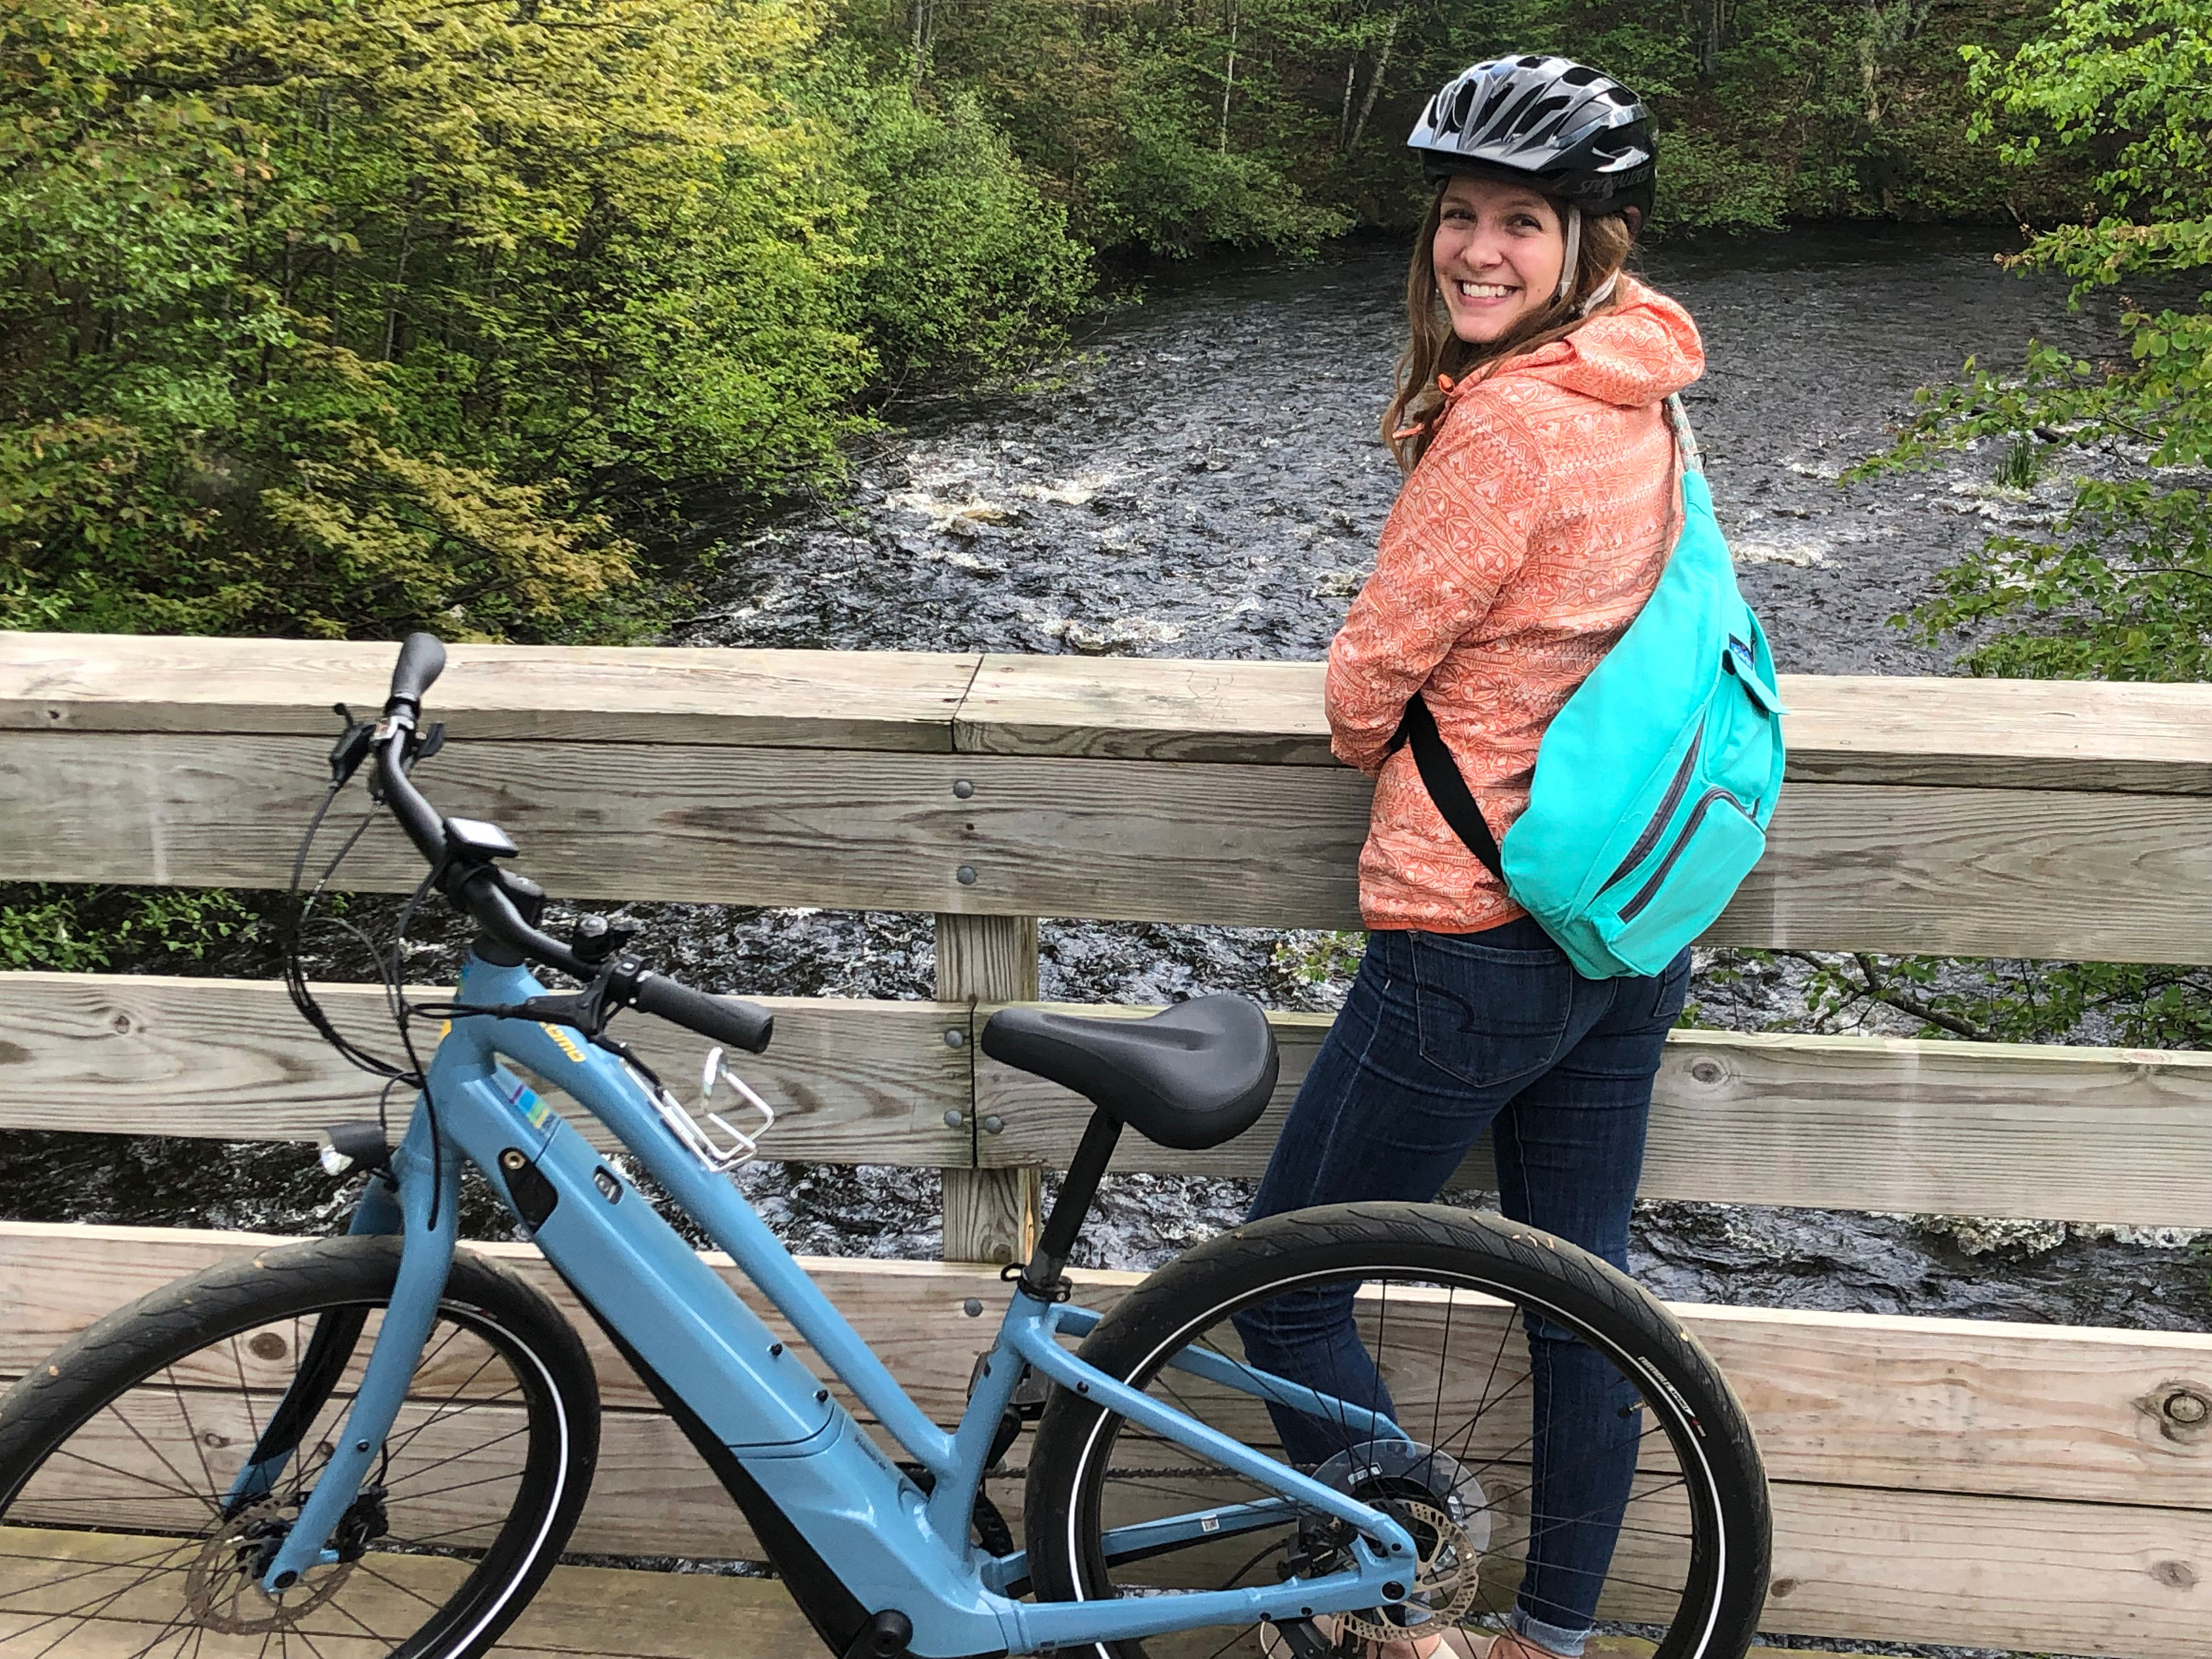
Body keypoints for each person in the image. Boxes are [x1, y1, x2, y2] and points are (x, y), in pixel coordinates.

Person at [1237, 54, 1705, 1659]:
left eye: (1524, 220)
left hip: (1470, 930)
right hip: (1623, 915)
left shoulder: (1504, 429)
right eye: (1459, 216)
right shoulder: (1641, 385)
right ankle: (1553, 1639)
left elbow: (1363, 693)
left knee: (1284, 1284)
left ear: (1595, 238)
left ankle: (1405, 1588)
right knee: (1587, 1306)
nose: (1478, 250)